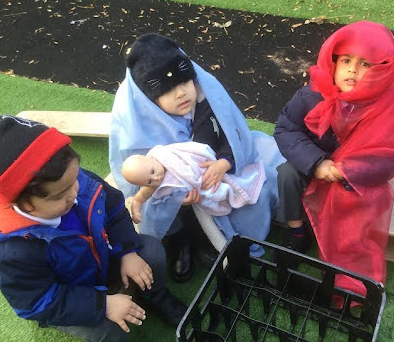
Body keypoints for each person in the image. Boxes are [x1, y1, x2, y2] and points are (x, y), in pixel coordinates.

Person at [109, 33, 284, 282]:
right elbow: (138, 175)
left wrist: (225, 161)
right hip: (172, 189)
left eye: (184, 83)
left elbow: (231, 131)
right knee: (166, 208)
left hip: (213, 174)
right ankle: (181, 239)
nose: (181, 94)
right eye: (167, 91)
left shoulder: (205, 97)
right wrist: (174, 196)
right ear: (150, 98)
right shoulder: (137, 119)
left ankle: (209, 240)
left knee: (258, 188)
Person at [0, 115, 187, 342]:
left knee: (151, 251)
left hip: (106, 260)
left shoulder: (76, 180)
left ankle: (156, 296)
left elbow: (115, 209)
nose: (74, 194)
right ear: (23, 203)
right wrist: (102, 304)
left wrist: (127, 251)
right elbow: (37, 302)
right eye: (60, 195)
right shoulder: (11, 249)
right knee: (108, 332)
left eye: (75, 179)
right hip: (73, 293)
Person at [274, 21, 394, 303]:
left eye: (365, 64)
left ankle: (348, 249)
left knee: (358, 205)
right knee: (286, 174)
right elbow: (286, 129)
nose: (352, 69)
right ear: (332, 62)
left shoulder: (388, 105)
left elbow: (391, 154)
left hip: (353, 178)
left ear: (382, 69)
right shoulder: (312, 95)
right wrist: (316, 163)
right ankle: (297, 230)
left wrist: (350, 171)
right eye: (346, 60)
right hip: (316, 166)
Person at [121, 142, 265, 223]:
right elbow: (142, 196)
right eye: (149, 181)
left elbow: (192, 151)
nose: (156, 179)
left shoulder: (166, 156)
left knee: (226, 184)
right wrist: (136, 204)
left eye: (153, 172)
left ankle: (236, 191)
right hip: (198, 194)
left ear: (151, 159)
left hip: (203, 170)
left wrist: (198, 175)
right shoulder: (153, 185)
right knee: (214, 196)